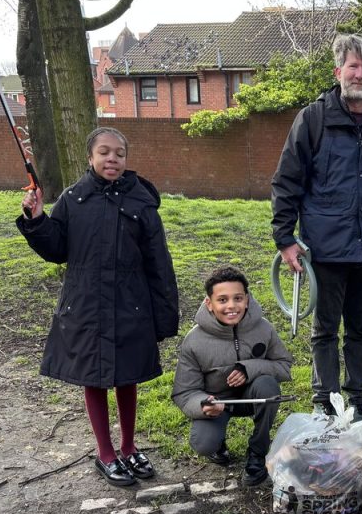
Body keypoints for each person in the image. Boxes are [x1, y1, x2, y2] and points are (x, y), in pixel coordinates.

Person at [17, 127, 179, 487]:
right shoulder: (73, 199)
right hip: (86, 305)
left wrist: (165, 312)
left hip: (131, 304)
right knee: (95, 377)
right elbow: (57, 249)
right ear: (90, 157)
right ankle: (105, 452)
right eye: (104, 152)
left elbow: (158, 261)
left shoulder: (141, 201)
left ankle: (128, 446)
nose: (112, 159)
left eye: (119, 153)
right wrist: (37, 219)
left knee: (127, 375)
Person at [271, 33, 362, 420]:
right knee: (325, 329)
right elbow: (287, 180)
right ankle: (325, 402)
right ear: (338, 71)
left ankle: (358, 400)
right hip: (326, 248)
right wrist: (285, 238)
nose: (359, 74)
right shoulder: (314, 119)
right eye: (353, 66)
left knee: (359, 329)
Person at [171, 265, 292, 488]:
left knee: (268, 385)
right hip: (218, 403)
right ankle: (217, 444)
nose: (231, 306)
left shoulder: (264, 328)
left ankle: (257, 453)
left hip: (252, 395)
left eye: (238, 298)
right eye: (222, 300)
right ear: (209, 303)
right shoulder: (194, 341)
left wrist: (249, 368)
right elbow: (184, 391)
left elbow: (284, 366)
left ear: (247, 299)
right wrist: (203, 404)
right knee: (203, 443)